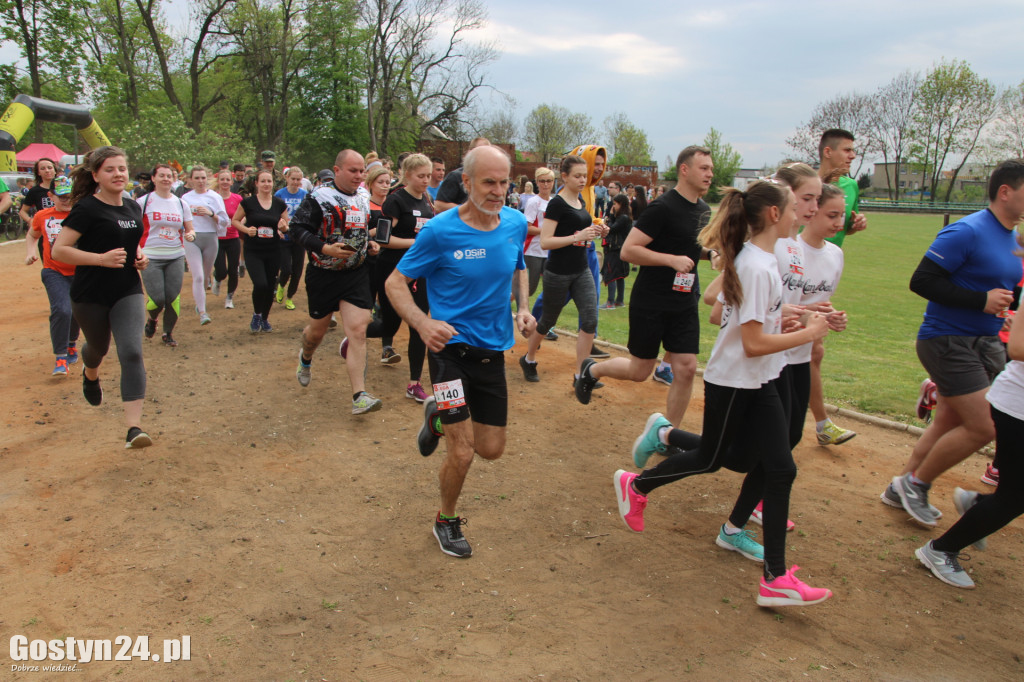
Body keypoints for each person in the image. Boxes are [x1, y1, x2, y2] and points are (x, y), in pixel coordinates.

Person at [614, 180, 832, 607]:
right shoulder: (754, 265)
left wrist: (793, 319)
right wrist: (807, 332)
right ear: (773, 214)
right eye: (793, 207)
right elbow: (750, 343)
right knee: (715, 459)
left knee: (778, 467)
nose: (797, 215)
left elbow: (756, 326)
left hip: (761, 379)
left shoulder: (763, 262)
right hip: (735, 380)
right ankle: (636, 485)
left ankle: (775, 580)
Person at [385, 145, 535, 557]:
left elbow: (518, 265)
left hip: (492, 354)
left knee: (491, 450)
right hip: (450, 353)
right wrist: (422, 322)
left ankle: (434, 416)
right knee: (464, 452)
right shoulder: (440, 230)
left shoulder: (515, 223)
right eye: (489, 182)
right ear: (465, 182)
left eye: (504, 182)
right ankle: (446, 520)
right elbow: (395, 283)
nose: (498, 191)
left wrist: (522, 307)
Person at [883, 159, 1024, 527]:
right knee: (984, 426)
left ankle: (899, 490)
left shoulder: (1012, 236)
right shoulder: (969, 230)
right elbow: (922, 281)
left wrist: (1004, 311)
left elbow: (998, 288)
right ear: (1005, 192)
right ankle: (916, 484)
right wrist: (980, 301)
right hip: (947, 339)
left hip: (985, 340)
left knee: (947, 420)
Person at [574, 146, 714, 428]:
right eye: (704, 168)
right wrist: (670, 260)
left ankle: (667, 434)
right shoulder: (662, 207)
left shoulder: (704, 210)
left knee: (685, 368)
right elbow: (628, 251)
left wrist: (711, 254)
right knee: (640, 370)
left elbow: (690, 248)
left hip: (685, 300)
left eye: (711, 168)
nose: (710, 174)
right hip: (652, 300)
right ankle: (593, 369)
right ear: (684, 170)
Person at [915, 273, 1024, 589]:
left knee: (1014, 493)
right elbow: (1016, 346)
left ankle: (978, 505)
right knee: (1016, 495)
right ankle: (941, 550)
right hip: (1017, 406)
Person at [51, 146, 152, 449]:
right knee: (98, 348)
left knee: (132, 352)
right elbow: (60, 250)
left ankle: (133, 429)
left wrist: (140, 256)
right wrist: (100, 259)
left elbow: (130, 243)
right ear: (96, 175)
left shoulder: (134, 207)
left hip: (127, 289)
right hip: (90, 293)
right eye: (110, 169)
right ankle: (90, 373)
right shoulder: (86, 209)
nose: (118, 174)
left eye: (122, 168)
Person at [290, 149, 383, 415]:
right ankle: (305, 358)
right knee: (316, 333)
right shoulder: (319, 197)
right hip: (323, 274)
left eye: (362, 170)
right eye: (353, 170)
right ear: (338, 170)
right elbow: (297, 229)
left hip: (356, 273)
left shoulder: (365, 196)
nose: (359, 176)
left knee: (358, 331)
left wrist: (370, 244)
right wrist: (324, 248)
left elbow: (362, 230)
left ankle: (359, 395)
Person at [519, 155, 601, 385]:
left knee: (590, 320)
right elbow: (546, 241)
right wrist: (578, 236)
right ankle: (529, 358)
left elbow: (580, 236)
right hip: (558, 272)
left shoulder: (580, 202)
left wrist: (596, 231)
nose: (582, 179)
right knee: (546, 321)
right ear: (564, 177)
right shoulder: (556, 204)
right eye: (577, 175)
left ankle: (581, 375)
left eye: (584, 175)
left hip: (581, 269)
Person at [365, 153, 434, 402]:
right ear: (407, 175)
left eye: (429, 175)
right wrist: (415, 243)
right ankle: (355, 334)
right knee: (389, 326)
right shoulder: (395, 201)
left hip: (420, 273)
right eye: (421, 176)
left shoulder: (427, 201)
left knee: (419, 324)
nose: (427, 180)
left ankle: (414, 383)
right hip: (392, 270)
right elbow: (382, 239)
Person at [812, 128, 867, 444]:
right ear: (827, 152)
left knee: (812, 351)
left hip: (826, 271)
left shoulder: (849, 186)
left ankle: (820, 425)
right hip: (793, 270)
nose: (852, 156)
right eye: (847, 150)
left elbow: (841, 224)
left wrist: (855, 224)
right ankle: (822, 424)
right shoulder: (803, 182)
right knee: (812, 349)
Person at [24, 175, 80, 375]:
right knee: (62, 309)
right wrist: (31, 252)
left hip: (81, 271)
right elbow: (32, 235)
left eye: (70, 196)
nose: (66, 200)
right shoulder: (43, 215)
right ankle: (61, 357)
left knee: (76, 312)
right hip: (53, 270)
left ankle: (72, 343)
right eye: (61, 196)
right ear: (51, 196)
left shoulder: (81, 214)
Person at [138, 164, 197, 348]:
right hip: (150, 256)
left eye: (169, 176)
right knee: (158, 298)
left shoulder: (181, 203)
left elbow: (190, 229)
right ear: (153, 178)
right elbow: (134, 228)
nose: (165, 179)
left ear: (174, 179)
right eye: (161, 175)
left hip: (175, 255)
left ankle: (168, 333)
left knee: (172, 297)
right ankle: (152, 319)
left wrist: (191, 235)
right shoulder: (143, 201)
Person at [232, 169, 290, 333]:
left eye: (269, 181)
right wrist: (245, 229)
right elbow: (234, 221)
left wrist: (284, 228)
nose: (266, 184)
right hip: (253, 250)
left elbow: (287, 226)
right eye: (263, 181)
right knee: (260, 284)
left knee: (270, 285)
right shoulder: (248, 203)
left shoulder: (279, 204)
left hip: (273, 250)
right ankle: (257, 314)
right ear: (256, 183)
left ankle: (264, 317)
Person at [182, 166, 230, 325]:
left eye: (203, 178)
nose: (200, 181)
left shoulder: (215, 197)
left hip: (210, 238)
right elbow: (180, 220)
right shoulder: (185, 198)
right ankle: (203, 312)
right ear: (190, 180)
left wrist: (211, 214)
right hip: (192, 238)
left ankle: (200, 302)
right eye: (197, 178)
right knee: (198, 276)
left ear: (208, 179)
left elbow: (225, 222)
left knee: (205, 278)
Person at [365, 165, 398, 362]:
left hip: (388, 261)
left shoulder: (393, 206)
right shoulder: (364, 205)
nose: (385, 186)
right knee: (366, 304)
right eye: (381, 182)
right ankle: (355, 337)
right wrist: (379, 231)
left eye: (388, 182)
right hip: (367, 262)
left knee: (389, 306)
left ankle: (387, 348)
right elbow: (359, 232)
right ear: (370, 184)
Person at [275, 167, 308, 311]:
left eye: (298, 179)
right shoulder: (279, 194)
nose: (295, 182)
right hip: (284, 238)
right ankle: (281, 286)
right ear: (287, 178)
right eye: (293, 179)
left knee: (297, 270)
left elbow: (309, 214)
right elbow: (274, 213)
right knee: (286, 268)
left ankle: (289, 297)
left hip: (299, 238)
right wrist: (277, 227)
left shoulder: (305, 195)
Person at [520, 166, 555, 297]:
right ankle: (506, 305)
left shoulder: (554, 202)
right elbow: (527, 227)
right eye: (542, 181)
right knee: (529, 288)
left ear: (553, 182)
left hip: (549, 251)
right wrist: (546, 231)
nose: (545, 184)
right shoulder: (533, 202)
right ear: (537, 182)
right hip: (533, 250)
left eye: (548, 181)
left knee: (551, 287)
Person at [433, 136, 490, 213]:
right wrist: (468, 209)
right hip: (458, 223)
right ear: (470, 152)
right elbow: (439, 205)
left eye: (488, 153)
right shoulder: (456, 176)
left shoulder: (492, 179)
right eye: (480, 151)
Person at [213, 169, 243, 309]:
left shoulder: (237, 198)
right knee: (221, 270)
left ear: (231, 182)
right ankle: (217, 278)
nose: (225, 182)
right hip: (217, 238)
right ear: (218, 181)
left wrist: (242, 224)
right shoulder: (212, 197)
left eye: (227, 179)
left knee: (233, 270)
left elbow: (244, 215)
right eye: (222, 179)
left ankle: (229, 297)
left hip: (233, 238)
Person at [599, 193, 632, 309]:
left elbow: (611, 229)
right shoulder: (625, 217)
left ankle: (610, 302)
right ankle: (619, 300)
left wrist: (611, 217)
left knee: (612, 274)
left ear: (621, 204)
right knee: (619, 275)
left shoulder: (623, 218)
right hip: (620, 248)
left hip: (616, 248)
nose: (613, 207)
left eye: (615, 204)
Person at [19, 157, 58, 230]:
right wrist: (30, 221)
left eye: (50, 168)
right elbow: (22, 211)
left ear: (55, 171)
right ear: (38, 172)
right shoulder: (34, 191)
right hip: (44, 228)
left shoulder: (65, 188)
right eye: (42, 168)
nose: (47, 171)